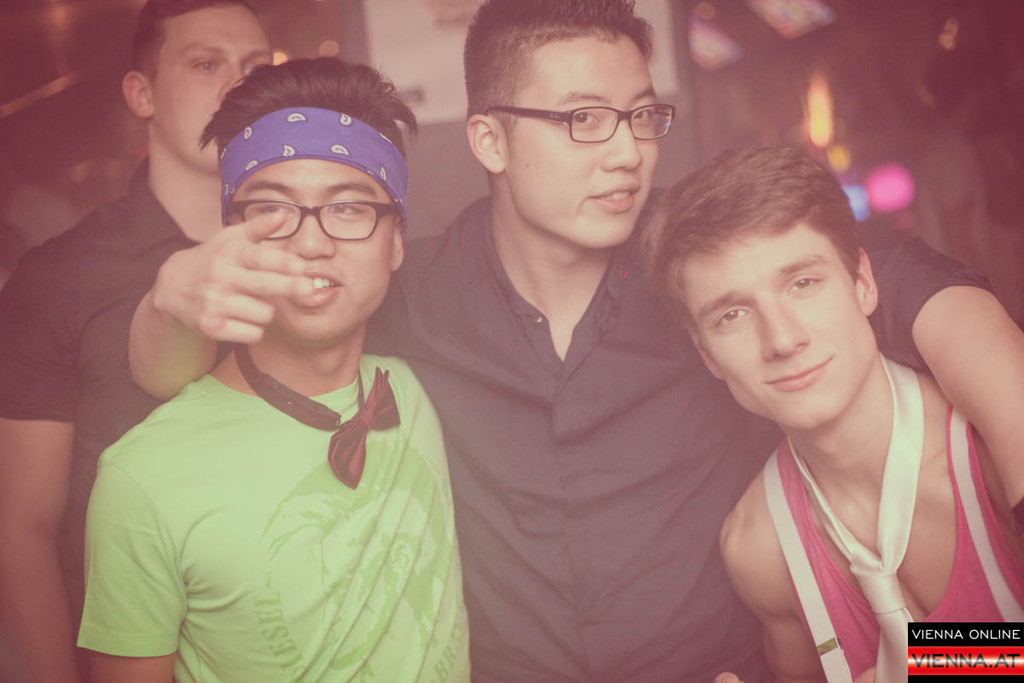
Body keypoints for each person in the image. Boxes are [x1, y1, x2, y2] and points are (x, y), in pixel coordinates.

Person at [127, 1, 1024, 680]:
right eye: (582, 119)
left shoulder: (698, 260)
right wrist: (169, 302)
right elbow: (175, 375)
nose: (627, 152)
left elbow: (899, 279)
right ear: (489, 138)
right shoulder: (409, 292)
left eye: (640, 116)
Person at [77, 57, 470, 682]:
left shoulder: (421, 388)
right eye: (272, 211)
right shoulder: (142, 477)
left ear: (395, 242)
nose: (311, 243)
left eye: (349, 208)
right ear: (228, 240)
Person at [644, 146, 1024, 683]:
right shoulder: (759, 548)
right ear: (707, 355)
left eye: (802, 283)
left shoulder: (991, 452)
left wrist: (924, 665)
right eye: (732, 314)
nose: (782, 339)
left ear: (864, 282)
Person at [0, 2, 279, 681]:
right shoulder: (58, 277)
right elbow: (21, 530)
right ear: (142, 94)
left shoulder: (312, 247)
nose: (236, 86)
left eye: (253, 68)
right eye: (205, 64)